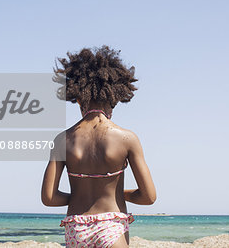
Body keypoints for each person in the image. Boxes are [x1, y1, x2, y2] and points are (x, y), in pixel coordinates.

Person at [41, 46, 156, 248]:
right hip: (111, 226)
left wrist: (78, 195)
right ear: (115, 97)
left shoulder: (62, 140)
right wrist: (119, 194)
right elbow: (148, 197)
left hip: (76, 228)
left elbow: (49, 198)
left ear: (77, 98)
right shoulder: (127, 138)